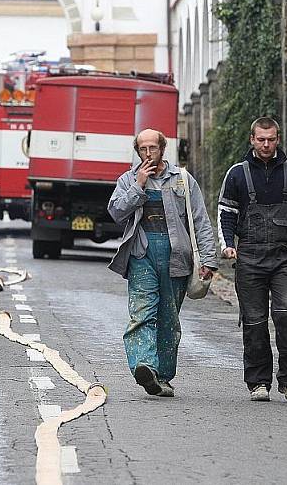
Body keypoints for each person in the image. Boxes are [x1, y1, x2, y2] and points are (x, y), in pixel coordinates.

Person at [108, 128, 217, 397]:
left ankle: (164, 376)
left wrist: (209, 258)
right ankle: (145, 366)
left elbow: (200, 221)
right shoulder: (127, 180)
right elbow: (116, 212)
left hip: (176, 255)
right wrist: (138, 186)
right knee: (141, 314)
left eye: (152, 148)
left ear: (162, 149)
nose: (147, 154)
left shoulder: (182, 180)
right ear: (137, 151)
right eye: (142, 149)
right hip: (142, 254)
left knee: (169, 318)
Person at [217, 116, 287, 402]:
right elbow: (226, 213)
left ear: (277, 139)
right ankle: (258, 382)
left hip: (285, 257)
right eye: (260, 139)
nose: (265, 144)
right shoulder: (237, 174)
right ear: (252, 139)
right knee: (254, 321)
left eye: (271, 139)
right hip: (249, 256)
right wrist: (228, 245)